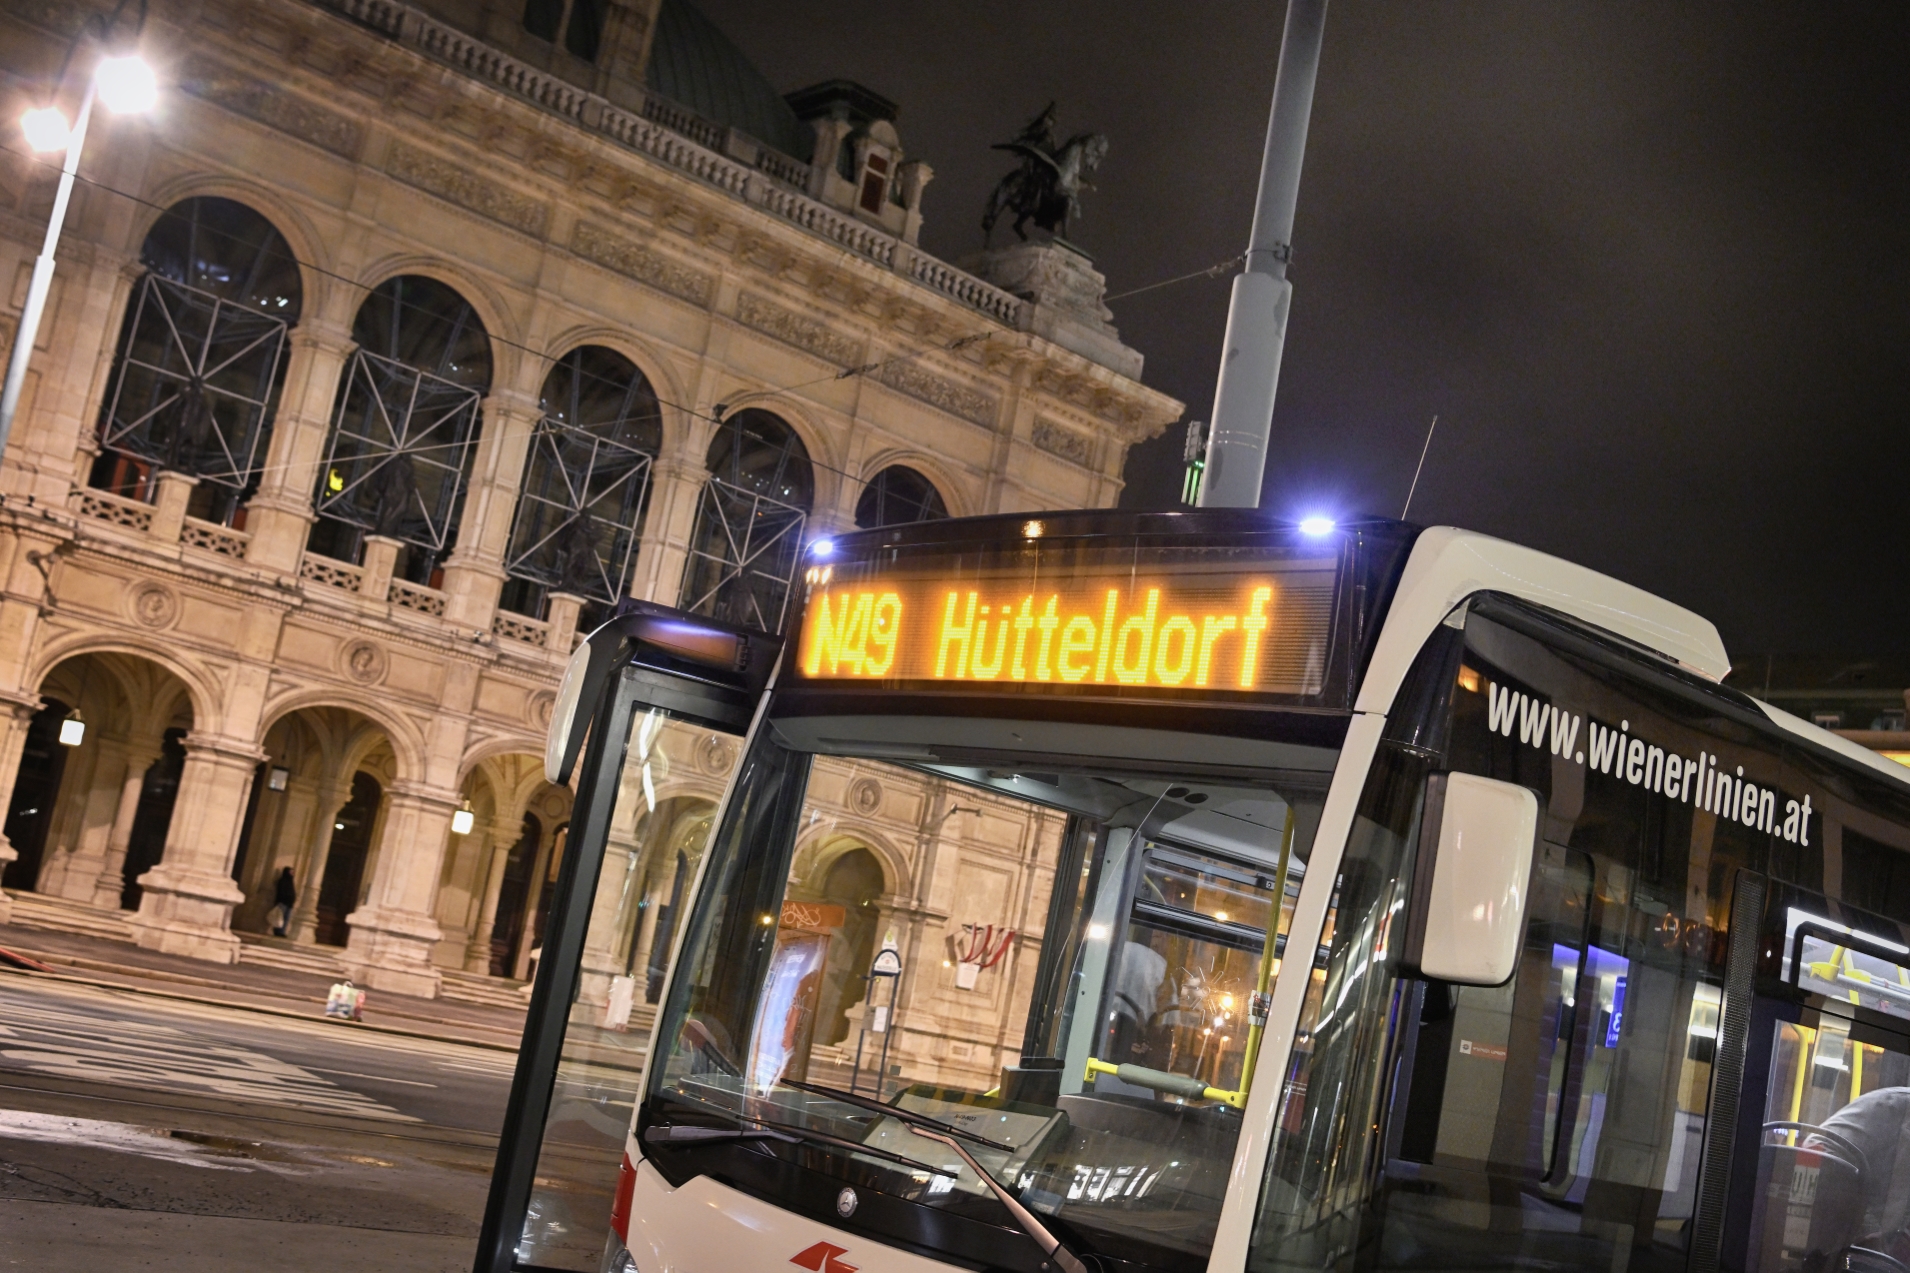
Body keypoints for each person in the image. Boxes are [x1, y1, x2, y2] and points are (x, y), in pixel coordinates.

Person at [270, 866, 296, 937]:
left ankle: (282, 931)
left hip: (289, 904)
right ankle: (278, 931)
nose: (292, 874)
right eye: (291, 872)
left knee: (286, 918)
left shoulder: (291, 882)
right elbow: (281, 892)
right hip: (282, 903)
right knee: (279, 917)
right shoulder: (282, 881)